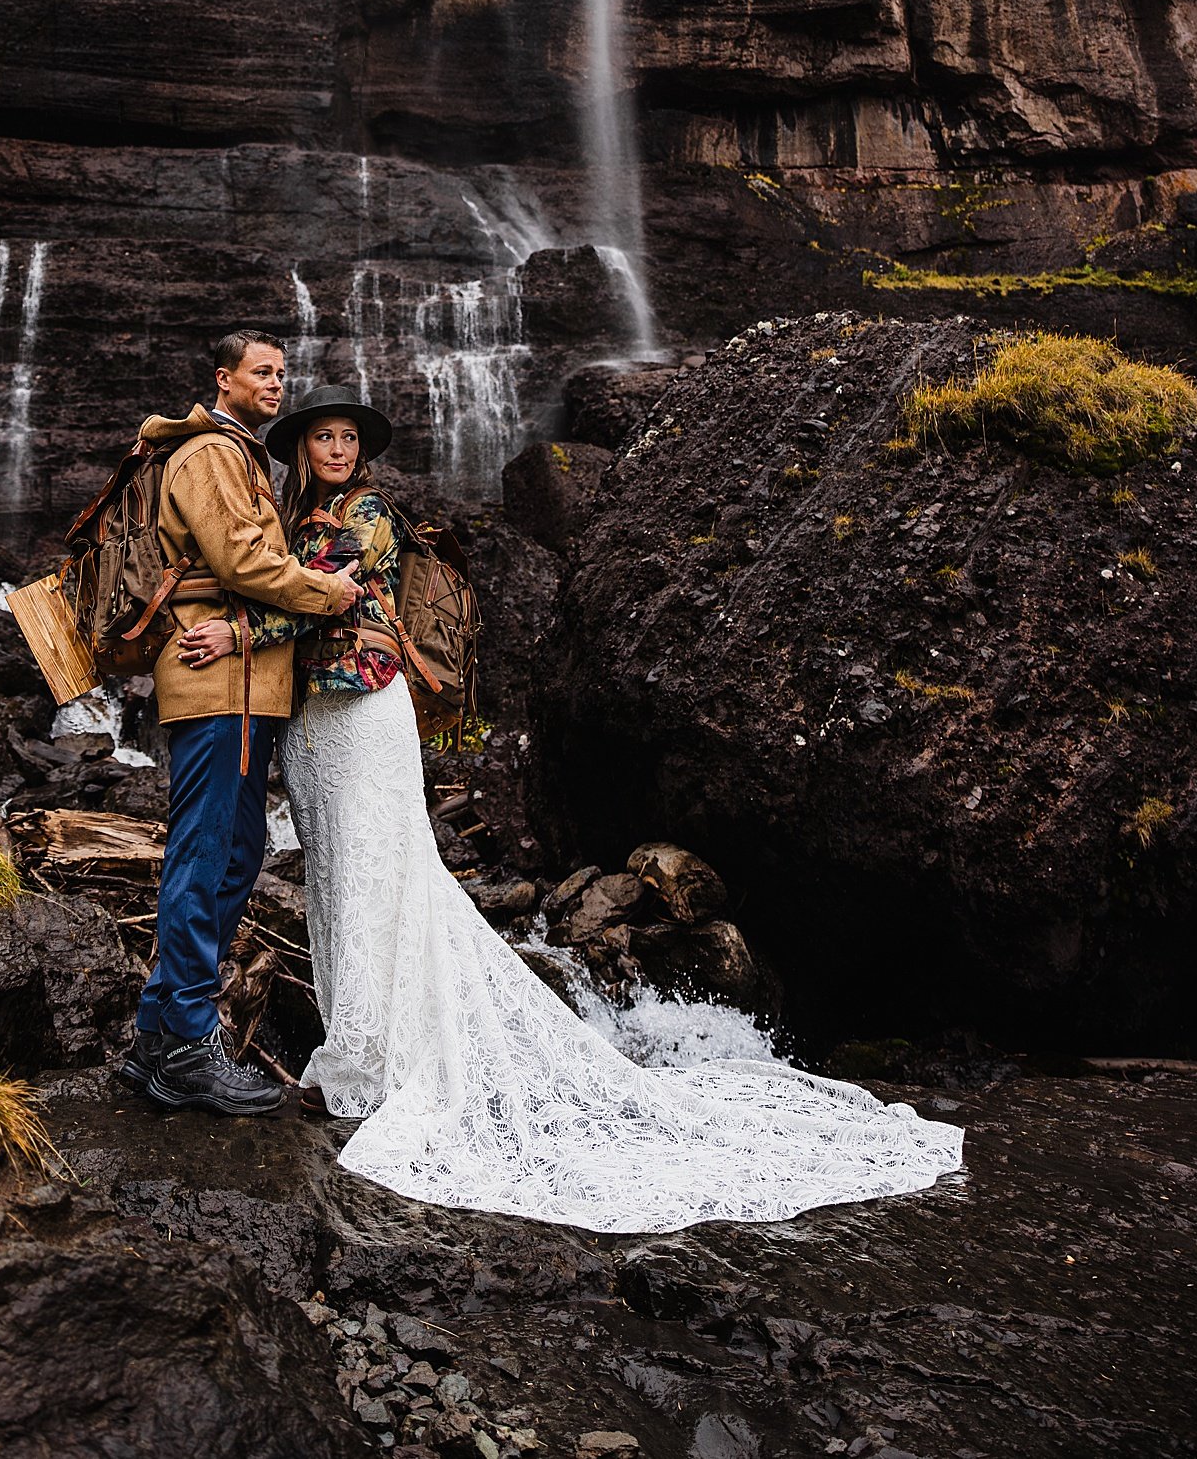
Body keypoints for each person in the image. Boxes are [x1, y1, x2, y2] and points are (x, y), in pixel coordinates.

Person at [213, 379, 967, 1234]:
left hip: (362, 716)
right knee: (340, 878)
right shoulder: (294, 520)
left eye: (349, 436)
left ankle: (375, 1058)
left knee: (384, 872)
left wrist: (231, 635)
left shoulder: (370, 513)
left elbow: (324, 595)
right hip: (313, 721)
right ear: (303, 450)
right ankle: (356, 1047)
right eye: (324, 439)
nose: (339, 450)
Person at [124, 331, 360, 1118]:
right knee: (208, 847)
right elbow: (243, 564)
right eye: (262, 372)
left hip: (247, 682)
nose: (275, 383)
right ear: (223, 379)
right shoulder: (212, 454)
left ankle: (158, 1034)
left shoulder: (241, 454)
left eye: (281, 374)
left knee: (235, 848)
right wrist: (330, 593)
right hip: (216, 681)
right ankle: (190, 1042)